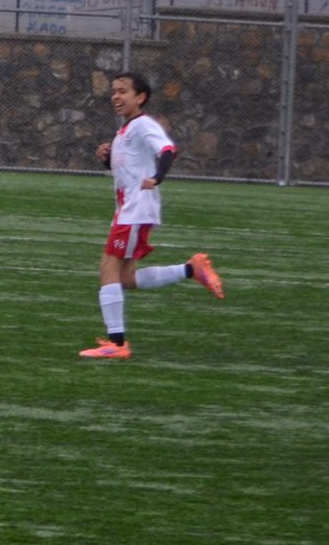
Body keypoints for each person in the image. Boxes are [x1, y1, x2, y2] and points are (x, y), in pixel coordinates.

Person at [79, 70, 225, 359]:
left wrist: (157, 177)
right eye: (113, 91)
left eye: (123, 91)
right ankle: (191, 269)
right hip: (129, 210)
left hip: (135, 210)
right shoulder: (126, 130)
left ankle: (117, 344)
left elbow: (168, 150)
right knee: (125, 278)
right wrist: (107, 159)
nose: (116, 96)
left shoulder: (143, 125)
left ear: (140, 97)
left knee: (108, 268)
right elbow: (129, 169)